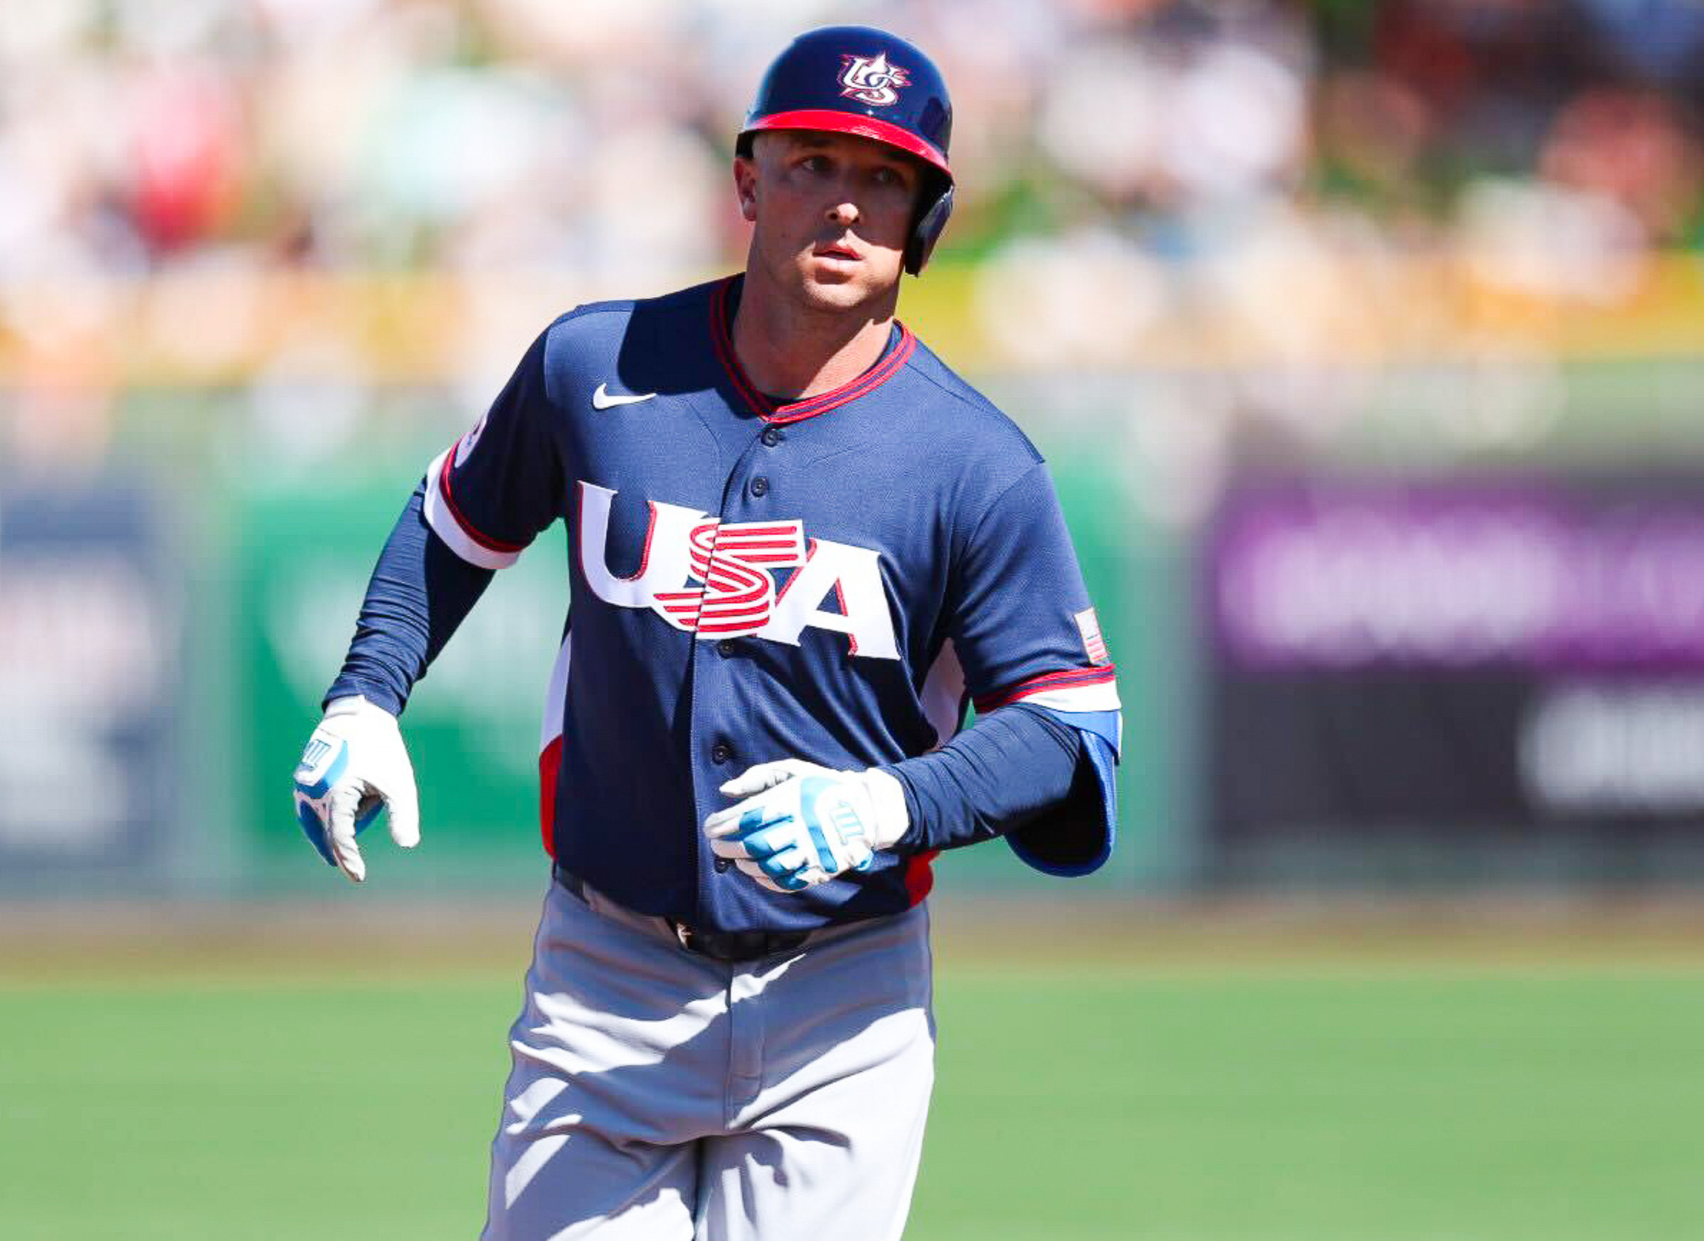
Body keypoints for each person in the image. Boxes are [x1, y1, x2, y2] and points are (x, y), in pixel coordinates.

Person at [289, 24, 1121, 1241]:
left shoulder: (974, 464)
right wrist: (367, 692)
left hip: (843, 994)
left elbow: (1070, 727)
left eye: (884, 179)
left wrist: (885, 803)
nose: (844, 207)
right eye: (811, 165)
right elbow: (451, 523)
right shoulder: (597, 364)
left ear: (927, 221)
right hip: (605, 972)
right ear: (746, 181)